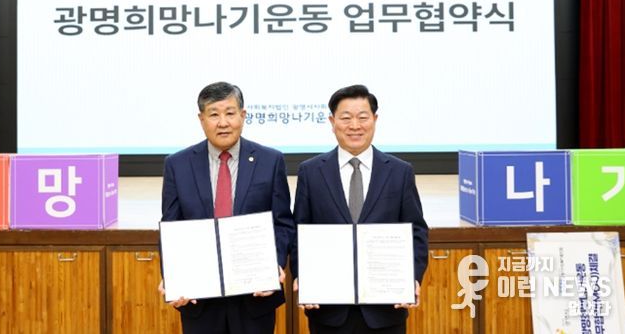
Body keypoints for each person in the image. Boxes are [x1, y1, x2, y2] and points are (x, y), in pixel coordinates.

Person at [159, 81, 294, 334]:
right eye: (214, 114)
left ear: (243, 115)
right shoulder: (177, 165)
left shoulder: (270, 160)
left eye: (230, 113)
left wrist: (273, 265)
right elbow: (171, 227)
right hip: (199, 298)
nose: (223, 122)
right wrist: (174, 277)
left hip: (255, 296)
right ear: (201, 119)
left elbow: (283, 223)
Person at [292, 84, 429, 333]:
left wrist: (412, 277)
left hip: (385, 310)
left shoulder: (399, 172)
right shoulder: (311, 172)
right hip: (328, 310)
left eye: (362, 117)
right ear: (332, 122)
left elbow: (416, 232)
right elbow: (299, 233)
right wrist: (304, 277)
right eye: (346, 118)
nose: (354, 126)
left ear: (375, 120)